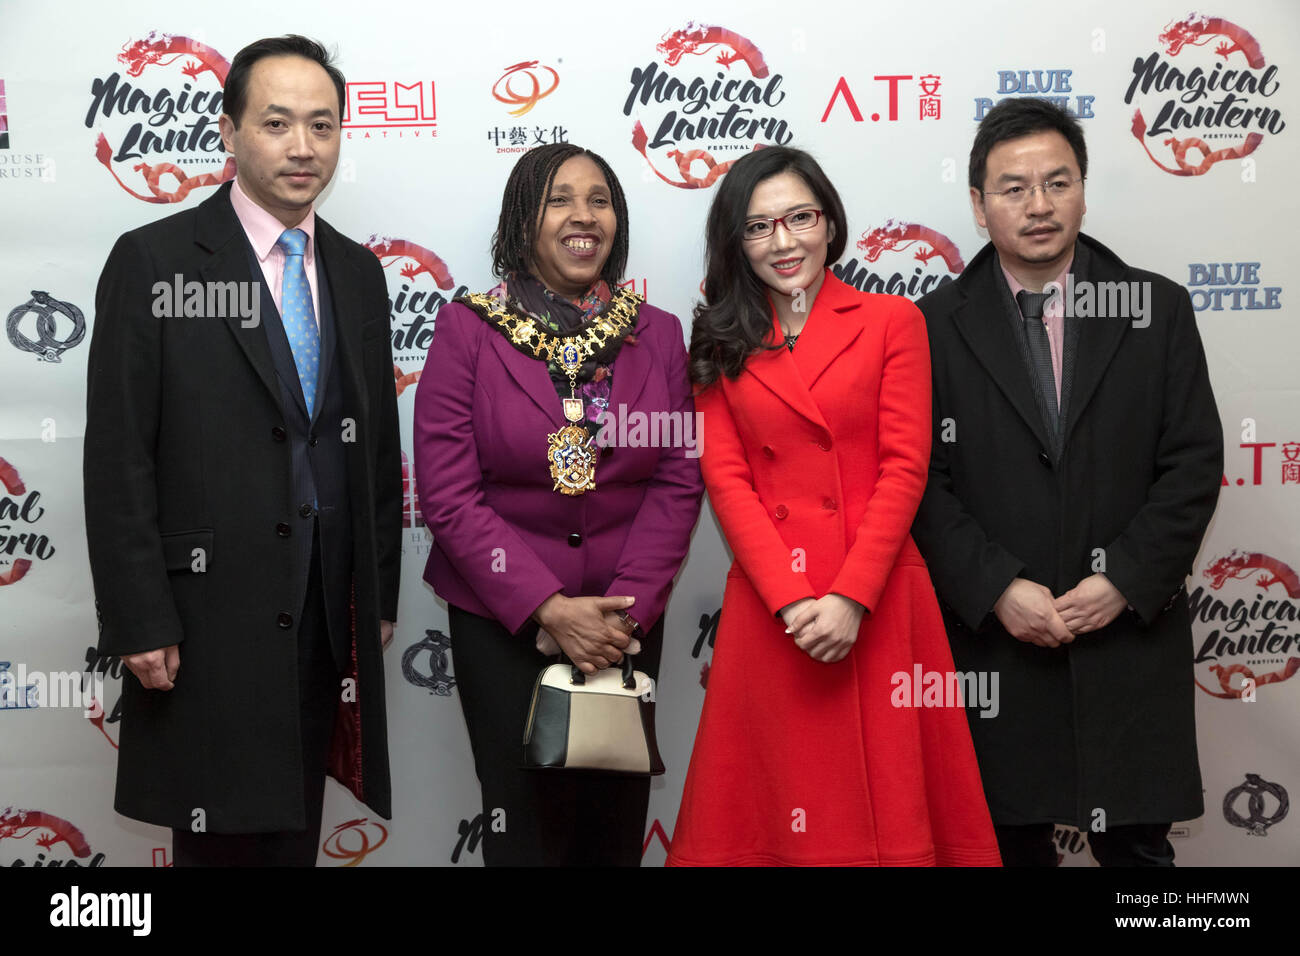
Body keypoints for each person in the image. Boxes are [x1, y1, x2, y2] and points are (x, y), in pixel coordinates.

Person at [83, 35, 401, 866]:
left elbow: (373, 454)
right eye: (277, 123)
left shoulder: (358, 274)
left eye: (322, 126)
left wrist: (378, 594)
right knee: (219, 839)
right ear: (228, 133)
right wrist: (140, 615)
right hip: (203, 618)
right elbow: (119, 456)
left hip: (326, 611)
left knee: (294, 833)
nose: (303, 147)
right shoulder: (154, 260)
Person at [668, 146, 1001, 866]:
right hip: (773, 607)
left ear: (829, 222)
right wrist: (792, 602)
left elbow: (905, 466)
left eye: (799, 218)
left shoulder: (891, 321)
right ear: (735, 240)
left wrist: (852, 596)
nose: (783, 242)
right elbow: (727, 482)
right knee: (766, 819)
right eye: (759, 227)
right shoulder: (720, 338)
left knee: (888, 817)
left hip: (877, 599)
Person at [911, 98, 1223, 866]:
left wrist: (1125, 578)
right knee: (1004, 850)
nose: (1039, 205)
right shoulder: (927, 327)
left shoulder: (1158, 308)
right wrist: (994, 587)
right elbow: (919, 481)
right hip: (999, 654)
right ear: (979, 206)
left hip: (1127, 643)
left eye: (1057, 181)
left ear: (1084, 190)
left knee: (1141, 864)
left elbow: (1193, 463)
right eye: (1013, 188)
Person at [413, 143, 703, 866]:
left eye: (600, 199)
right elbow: (448, 493)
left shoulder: (657, 332)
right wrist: (547, 607)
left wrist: (623, 612)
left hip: (623, 626)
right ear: (524, 220)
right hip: (506, 624)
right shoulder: (468, 330)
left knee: (611, 827)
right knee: (523, 830)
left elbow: (675, 480)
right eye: (560, 199)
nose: (584, 216)